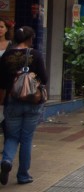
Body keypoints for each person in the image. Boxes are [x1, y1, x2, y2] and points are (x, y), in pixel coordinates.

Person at [0, 26, 48, 185]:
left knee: (12, 136)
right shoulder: (35, 54)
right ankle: (23, 175)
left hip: (12, 101)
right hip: (33, 101)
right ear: (30, 39)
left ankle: (6, 160)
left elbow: (1, 81)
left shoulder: (6, 55)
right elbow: (45, 78)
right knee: (26, 138)